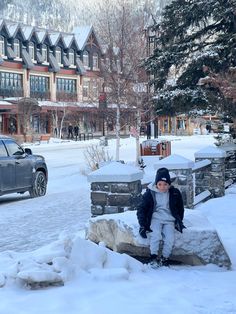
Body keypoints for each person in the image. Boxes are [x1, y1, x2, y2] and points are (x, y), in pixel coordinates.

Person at [137, 167, 185, 268]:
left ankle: (165, 257)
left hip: (169, 220)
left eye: (165, 184)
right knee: (155, 235)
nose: (162, 187)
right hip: (156, 218)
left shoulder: (174, 193)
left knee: (170, 238)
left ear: (169, 184)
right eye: (160, 184)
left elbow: (180, 208)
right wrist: (142, 225)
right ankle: (153, 256)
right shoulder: (150, 193)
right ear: (156, 184)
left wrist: (179, 220)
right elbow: (141, 209)